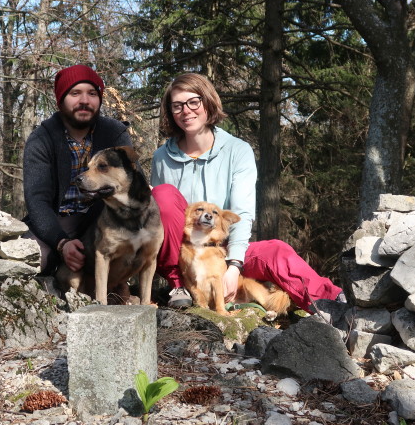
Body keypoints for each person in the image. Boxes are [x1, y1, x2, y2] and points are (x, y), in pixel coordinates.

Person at [150, 72, 345, 311]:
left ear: (208, 102)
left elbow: (241, 212)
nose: (186, 111)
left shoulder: (237, 150)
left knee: (276, 250)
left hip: (222, 251)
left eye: (194, 102)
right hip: (181, 256)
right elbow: (160, 217)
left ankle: (334, 303)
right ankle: (178, 287)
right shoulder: (161, 157)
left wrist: (233, 266)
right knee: (163, 195)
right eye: (177, 106)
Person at [22, 64, 133, 274]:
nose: (84, 101)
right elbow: (37, 200)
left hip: (102, 221)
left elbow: (130, 185)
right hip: (55, 223)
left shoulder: (114, 134)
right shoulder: (42, 138)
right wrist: (61, 243)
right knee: (33, 260)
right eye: (75, 93)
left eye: (92, 93)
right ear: (61, 100)